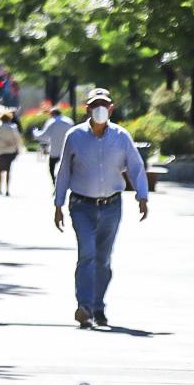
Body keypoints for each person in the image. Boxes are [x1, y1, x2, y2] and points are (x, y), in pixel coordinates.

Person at [52, 87, 149, 328]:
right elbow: (64, 171)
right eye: (95, 105)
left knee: (103, 260)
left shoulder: (121, 137)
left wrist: (142, 196)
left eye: (104, 104)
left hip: (111, 206)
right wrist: (58, 204)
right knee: (87, 255)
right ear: (87, 109)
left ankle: (98, 306)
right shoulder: (74, 136)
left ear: (111, 109)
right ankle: (84, 306)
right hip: (81, 205)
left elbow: (135, 166)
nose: (100, 109)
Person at [34, 107, 75, 182]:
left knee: (51, 168)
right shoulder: (69, 121)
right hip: (68, 150)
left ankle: (55, 182)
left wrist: (35, 132)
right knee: (68, 168)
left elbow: (44, 136)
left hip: (54, 151)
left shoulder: (51, 122)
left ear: (52, 114)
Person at [0, 110, 23, 195]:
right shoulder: (13, 127)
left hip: (0, 151)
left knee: (0, 170)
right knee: (8, 170)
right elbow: (18, 139)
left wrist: (2, 142)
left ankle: (0, 188)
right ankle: (7, 189)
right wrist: (18, 148)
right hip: (10, 150)